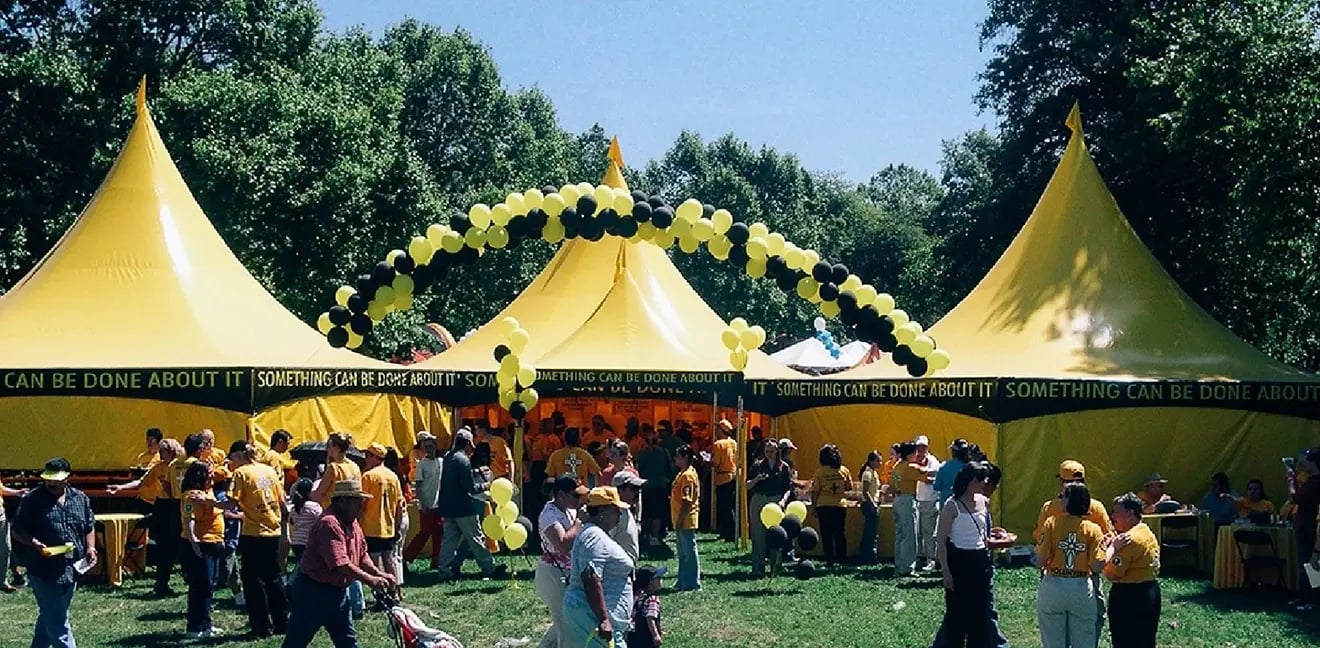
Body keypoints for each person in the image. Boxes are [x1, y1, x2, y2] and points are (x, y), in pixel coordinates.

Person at [283, 480, 396, 648]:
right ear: (342, 501)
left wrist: (378, 573)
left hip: (337, 592)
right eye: (357, 501)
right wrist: (370, 580)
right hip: (313, 592)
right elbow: (340, 563)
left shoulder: (353, 523)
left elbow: (361, 555)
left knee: (347, 641)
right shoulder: (329, 524)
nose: (361, 505)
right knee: (296, 641)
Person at [12, 458, 96, 648]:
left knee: (50, 615)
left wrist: (90, 547)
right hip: (43, 570)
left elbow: (89, 527)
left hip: (71, 569)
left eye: (56, 479)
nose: (51, 483)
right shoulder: (32, 500)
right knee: (59, 623)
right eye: (48, 479)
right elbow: (17, 530)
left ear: (67, 478)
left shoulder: (80, 498)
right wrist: (35, 544)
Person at [221, 441, 288, 638]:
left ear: (240, 456)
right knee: (274, 578)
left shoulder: (241, 473)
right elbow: (282, 503)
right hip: (273, 530)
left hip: (253, 532)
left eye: (232, 458)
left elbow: (231, 503)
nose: (231, 463)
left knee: (252, 581)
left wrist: (209, 503)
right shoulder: (269, 471)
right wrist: (284, 529)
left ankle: (261, 626)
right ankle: (282, 622)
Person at [562, 487, 635, 648]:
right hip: (593, 615)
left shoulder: (593, 533)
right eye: (617, 510)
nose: (620, 515)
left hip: (595, 613)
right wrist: (603, 619)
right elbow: (590, 576)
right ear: (603, 511)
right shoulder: (594, 536)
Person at [1035, 482, 1106, 648]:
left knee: (1053, 641)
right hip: (1081, 586)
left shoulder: (1051, 523)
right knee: (1084, 640)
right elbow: (1096, 566)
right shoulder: (1093, 529)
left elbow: (1040, 561)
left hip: (1053, 585)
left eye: (1063, 496)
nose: (1059, 499)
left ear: (1070, 501)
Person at [934, 462, 993, 648]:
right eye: (981, 479)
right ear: (971, 481)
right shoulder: (952, 506)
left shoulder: (984, 501)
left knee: (979, 616)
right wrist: (946, 572)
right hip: (959, 562)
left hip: (980, 561)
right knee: (957, 617)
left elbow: (984, 532)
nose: (985, 483)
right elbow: (941, 541)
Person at [436, 429, 507, 581]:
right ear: (468, 443)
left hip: (448, 506)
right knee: (476, 537)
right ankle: (488, 568)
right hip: (463, 506)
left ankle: (444, 570)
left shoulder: (448, 457)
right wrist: (486, 485)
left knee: (449, 540)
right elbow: (469, 487)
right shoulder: (463, 460)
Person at [536, 475, 588, 648]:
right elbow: (563, 545)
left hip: (568, 571)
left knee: (568, 617)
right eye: (575, 495)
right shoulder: (548, 515)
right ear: (561, 495)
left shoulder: (570, 510)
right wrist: (580, 521)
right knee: (565, 622)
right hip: (553, 573)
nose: (579, 499)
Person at [1104, 492, 1161, 648]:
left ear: (1130, 514)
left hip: (1129, 598)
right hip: (1150, 592)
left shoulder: (1129, 540)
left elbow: (1112, 574)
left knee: (1125, 641)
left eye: (1117, 512)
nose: (1113, 516)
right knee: (1146, 640)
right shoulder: (1146, 531)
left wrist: (1110, 550)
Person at [179, 461, 226, 639]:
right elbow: (189, 519)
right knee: (200, 585)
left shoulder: (207, 493)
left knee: (210, 585)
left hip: (213, 542)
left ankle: (206, 624)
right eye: (209, 474)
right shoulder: (192, 495)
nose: (213, 477)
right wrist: (194, 542)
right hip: (201, 545)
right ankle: (194, 627)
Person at [1034, 460, 1114, 542]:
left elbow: (1039, 537)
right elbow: (1109, 537)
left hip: (1057, 553)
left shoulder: (1049, 508)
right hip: (1089, 553)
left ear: (1062, 482)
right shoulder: (1097, 507)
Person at [360, 443, 404, 590]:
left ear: (374, 457)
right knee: (389, 559)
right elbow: (399, 505)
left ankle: (381, 593)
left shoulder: (367, 476)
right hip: (389, 526)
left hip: (371, 526)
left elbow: (362, 503)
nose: (365, 459)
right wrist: (397, 526)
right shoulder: (393, 477)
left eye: (367, 456)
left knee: (375, 561)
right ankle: (394, 590)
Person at [748, 439, 794, 576]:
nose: (769, 454)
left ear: (777, 451)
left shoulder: (784, 467)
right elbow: (747, 485)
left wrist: (783, 501)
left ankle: (775, 567)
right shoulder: (757, 465)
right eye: (767, 451)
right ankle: (758, 568)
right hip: (759, 499)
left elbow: (788, 489)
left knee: (776, 535)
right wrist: (757, 479)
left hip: (776, 501)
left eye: (772, 451)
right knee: (758, 535)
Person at [894, 442, 936, 576]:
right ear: (910, 454)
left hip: (897, 499)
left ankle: (899, 563)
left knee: (900, 534)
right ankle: (907, 567)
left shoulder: (897, 466)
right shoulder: (910, 467)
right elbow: (927, 473)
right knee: (910, 535)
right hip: (907, 500)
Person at [403, 431, 443, 569]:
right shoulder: (422, 464)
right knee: (425, 532)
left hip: (438, 504)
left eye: (431, 446)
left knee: (439, 533)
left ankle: (437, 561)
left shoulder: (440, 462)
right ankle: (408, 556)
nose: (429, 449)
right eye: (427, 447)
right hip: (426, 504)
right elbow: (418, 486)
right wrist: (422, 502)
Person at [1286, 447, 1320, 610]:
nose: (1302, 462)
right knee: (1306, 564)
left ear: (1313, 462)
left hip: (1310, 527)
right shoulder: (1311, 480)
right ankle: (1304, 597)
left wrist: (1290, 475)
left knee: (1309, 565)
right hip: (1307, 526)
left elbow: (1294, 497)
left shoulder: (1316, 482)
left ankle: (1311, 600)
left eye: (1305, 460)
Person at [811, 444, 853, 566]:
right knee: (839, 533)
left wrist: (814, 507)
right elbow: (849, 487)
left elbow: (815, 491)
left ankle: (829, 560)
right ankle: (842, 559)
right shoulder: (844, 470)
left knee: (826, 534)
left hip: (823, 505)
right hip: (840, 505)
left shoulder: (820, 472)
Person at [635, 430, 674, 548]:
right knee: (657, 513)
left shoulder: (641, 453)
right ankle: (655, 536)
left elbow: (638, 468)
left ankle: (645, 534)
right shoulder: (663, 452)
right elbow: (670, 468)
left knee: (647, 512)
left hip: (646, 486)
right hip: (660, 486)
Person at [670, 445, 701, 591]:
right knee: (683, 553)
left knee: (689, 552)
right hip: (680, 518)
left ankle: (692, 582)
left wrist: (680, 520)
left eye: (677, 456)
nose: (675, 459)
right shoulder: (682, 473)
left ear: (685, 458)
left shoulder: (687, 475)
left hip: (686, 519)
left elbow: (687, 500)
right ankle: (682, 581)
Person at [914, 435, 944, 572]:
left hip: (930, 500)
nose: (920, 449)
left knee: (929, 532)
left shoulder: (933, 461)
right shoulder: (913, 460)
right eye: (918, 446)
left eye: (923, 446)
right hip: (918, 499)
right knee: (918, 532)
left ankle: (931, 559)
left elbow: (936, 477)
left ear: (927, 447)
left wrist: (927, 478)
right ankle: (920, 557)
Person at [312, 432, 361, 509]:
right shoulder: (355, 467)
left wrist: (307, 495)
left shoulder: (334, 468)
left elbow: (319, 494)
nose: (326, 448)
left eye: (328, 445)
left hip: (334, 510)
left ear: (337, 448)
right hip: (349, 510)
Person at [710, 419, 739, 543]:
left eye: (717, 428)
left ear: (721, 431)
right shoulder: (734, 443)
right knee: (730, 506)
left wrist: (707, 460)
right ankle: (728, 532)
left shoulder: (718, 444)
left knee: (724, 507)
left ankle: (730, 533)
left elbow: (715, 463)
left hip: (722, 478)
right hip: (733, 477)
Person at [627, 565, 666, 648]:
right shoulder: (653, 599)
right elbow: (650, 618)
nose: (661, 580)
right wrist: (655, 635)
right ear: (651, 582)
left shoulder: (636, 596)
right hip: (647, 638)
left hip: (633, 635)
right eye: (658, 578)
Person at [287, 478, 322, 570]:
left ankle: (292, 582)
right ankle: (292, 583)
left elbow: (292, 521)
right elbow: (322, 520)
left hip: (296, 542)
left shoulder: (295, 507)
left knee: (302, 566)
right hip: (308, 542)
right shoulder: (313, 506)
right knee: (310, 568)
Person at [611, 472, 646, 563]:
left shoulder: (626, 510)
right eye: (633, 489)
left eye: (639, 489)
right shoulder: (613, 515)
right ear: (619, 490)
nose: (637, 493)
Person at [0, 473, 26, 593]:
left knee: (6, 548)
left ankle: (2, 581)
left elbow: (0, 488)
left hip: (0, 516)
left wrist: (17, 493)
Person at [857, 450, 882, 564]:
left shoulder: (874, 472)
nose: (880, 463)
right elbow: (865, 491)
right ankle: (866, 555)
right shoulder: (867, 473)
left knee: (872, 531)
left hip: (873, 503)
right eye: (878, 460)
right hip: (869, 504)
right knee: (870, 531)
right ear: (871, 461)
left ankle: (870, 554)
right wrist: (873, 504)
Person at [933, 438, 971, 505]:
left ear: (953, 452)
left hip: (946, 504)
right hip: (966, 504)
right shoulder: (971, 467)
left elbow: (936, 486)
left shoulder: (944, 466)